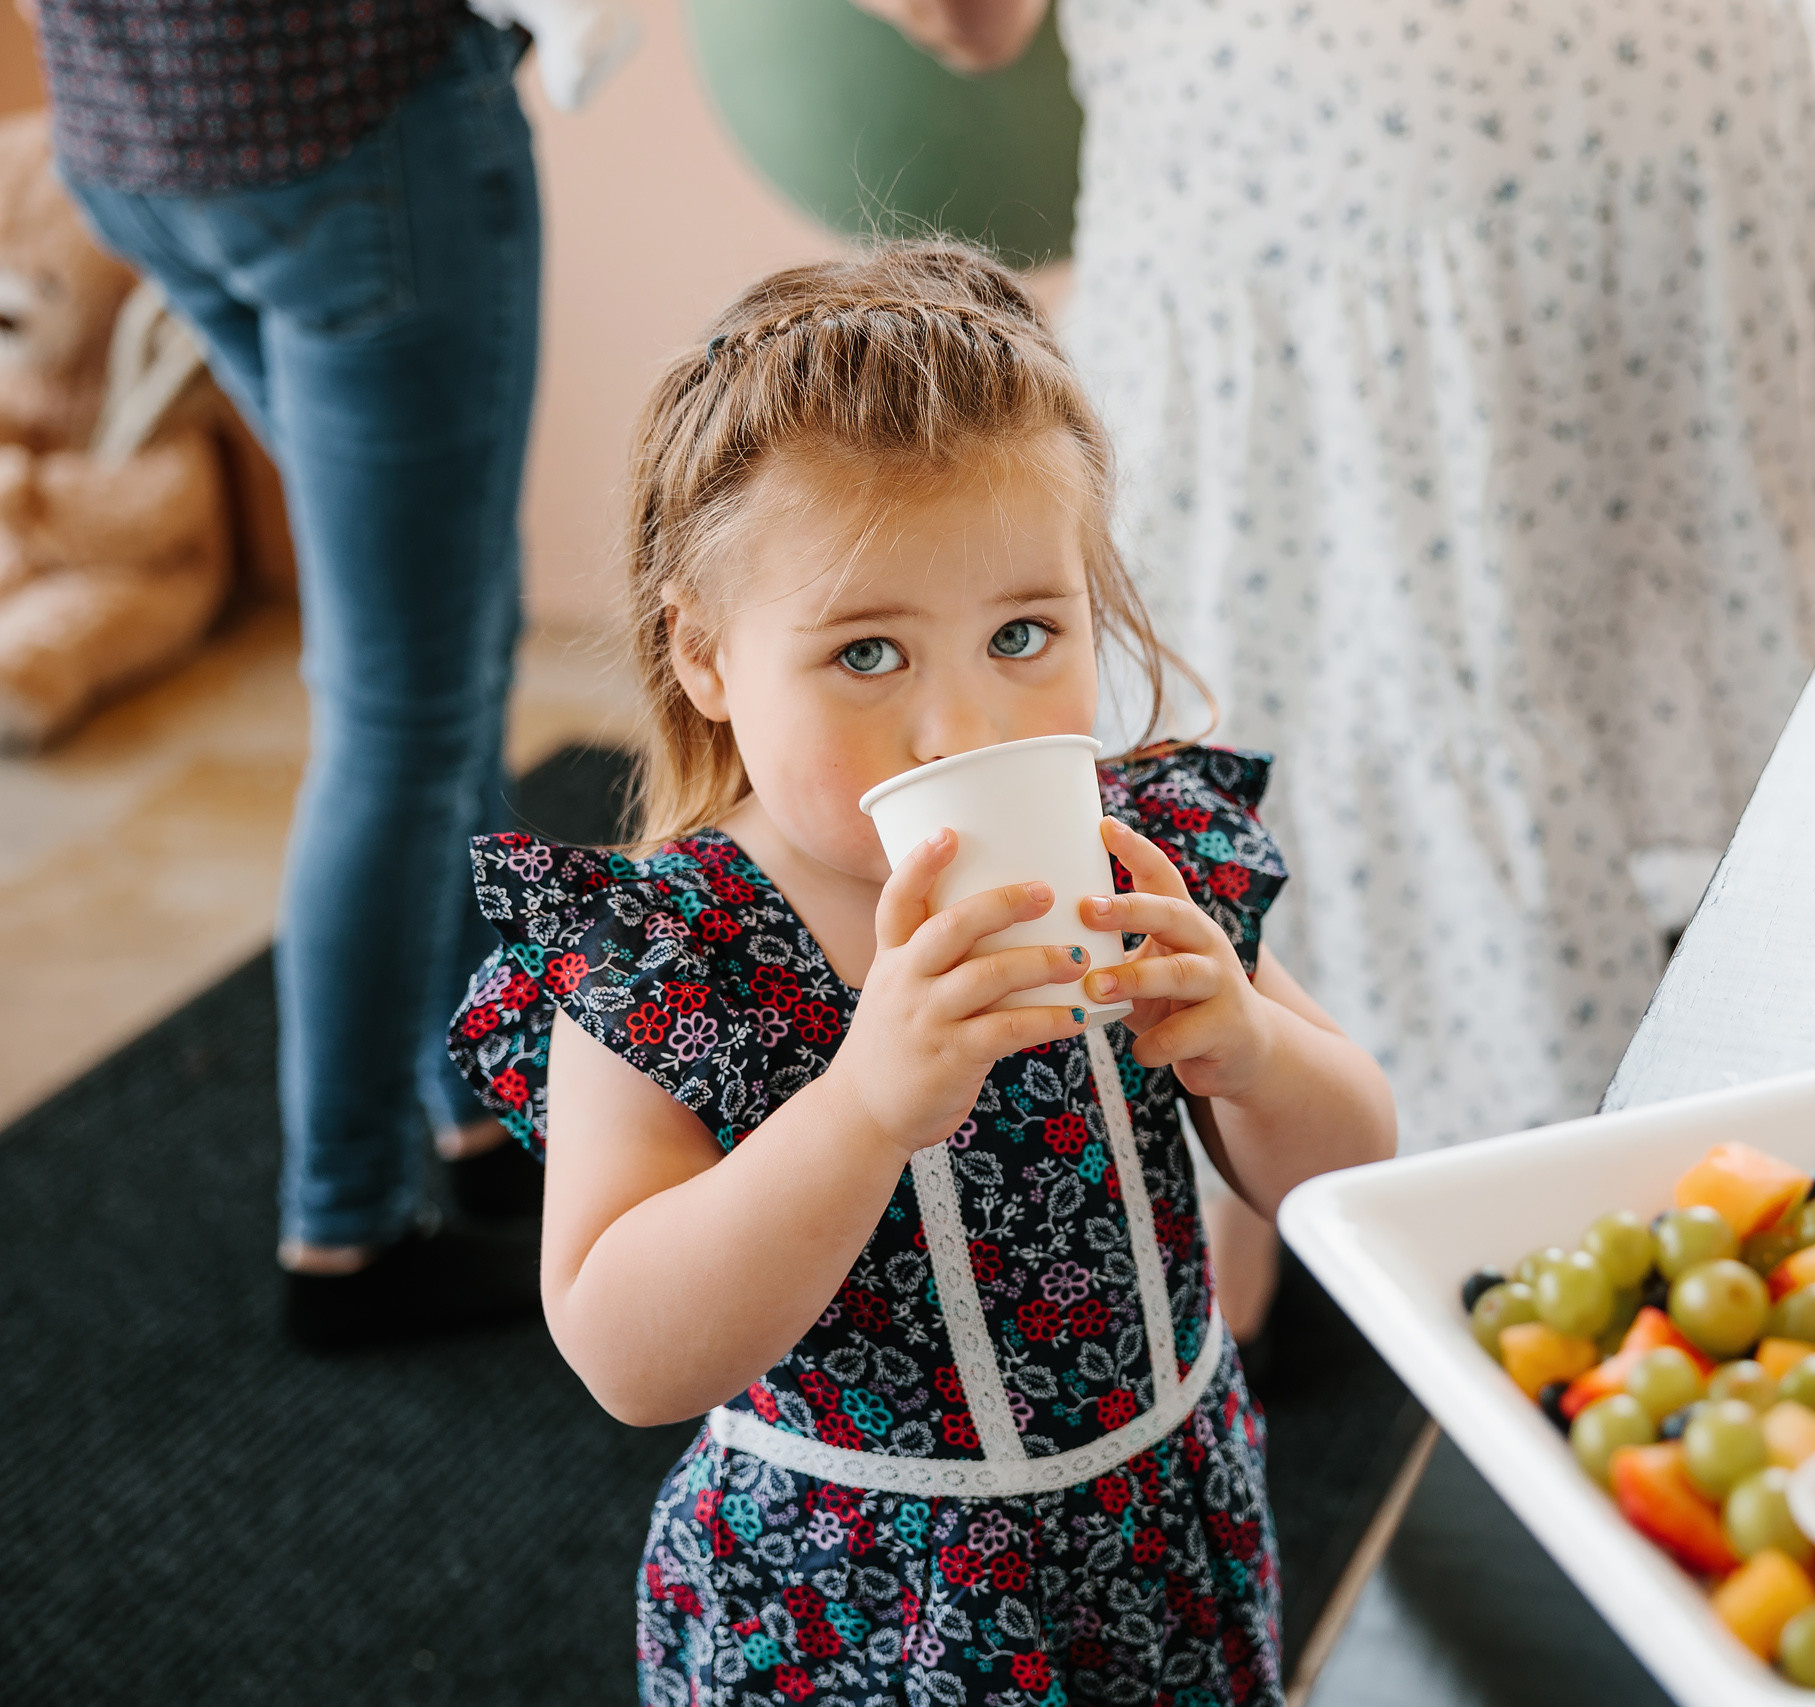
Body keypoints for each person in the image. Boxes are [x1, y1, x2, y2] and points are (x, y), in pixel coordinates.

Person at [853, 0, 1815, 1331]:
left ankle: (1331, 1234)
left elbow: (970, 19)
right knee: (1668, 676)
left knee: (1350, 685)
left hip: (1327, 167)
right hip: (1681, 118)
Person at [444, 244, 1396, 1705]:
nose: (964, 726)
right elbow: (626, 1354)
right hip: (856, 1607)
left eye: (1023, 634)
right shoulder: (670, 958)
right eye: (868, 654)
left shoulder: (1140, 854)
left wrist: (1252, 1055)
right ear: (705, 655)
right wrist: (862, 1109)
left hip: (1158, 1542)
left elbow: (1352, 1176)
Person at [32, 1, 552, 1347]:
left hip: (139, 143)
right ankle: (349, 1227)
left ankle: (489, 1102)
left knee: (447, 647)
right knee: (404, 712)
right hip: (351, 136)